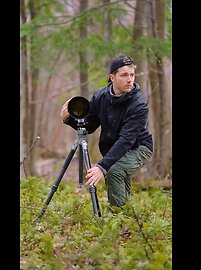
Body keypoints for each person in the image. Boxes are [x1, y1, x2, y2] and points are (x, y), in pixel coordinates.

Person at [60, 55, 153, 209]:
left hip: (139, 148)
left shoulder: (139, 105)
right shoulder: (100, 96)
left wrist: (102, 167)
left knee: (114, 170)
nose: (130, 79)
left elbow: (126, 140)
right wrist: (69, 119)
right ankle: (127, 220)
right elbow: (88, 126)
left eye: (132, 74)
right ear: (112, 77)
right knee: (119, 178)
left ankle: (118, 217)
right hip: (115, 149)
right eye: (124, 75)